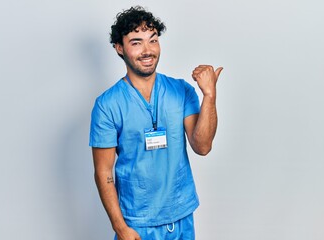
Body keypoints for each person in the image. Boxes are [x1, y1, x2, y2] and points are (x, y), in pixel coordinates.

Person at [89, 6, 223, 240]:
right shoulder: (107, 105)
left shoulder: (181, 91)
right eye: (136, 42)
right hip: (138, 223)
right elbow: (103, 171)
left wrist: (209, 96)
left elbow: (202, 146)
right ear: (119, 48)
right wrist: (121, 229)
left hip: (182, 215)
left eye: (153, 40)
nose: (147, 50)